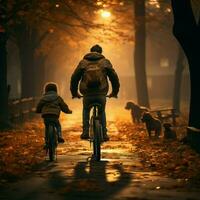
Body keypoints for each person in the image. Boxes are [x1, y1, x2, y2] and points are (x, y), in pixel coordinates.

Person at [70, 44, 120, 141]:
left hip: (87, 93)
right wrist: (114, 92)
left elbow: (74, 78)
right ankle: (104, 134)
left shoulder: (83, 63)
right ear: (101, 53)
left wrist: (74, 93)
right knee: (101, 111)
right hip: (101, 92)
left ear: (90, 51)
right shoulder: (105, 62)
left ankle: (85, 132)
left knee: (86, 110)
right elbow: (114, 77)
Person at [36, 82, 72, 147]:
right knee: (58, 125)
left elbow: (39, 106)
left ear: (46, 90)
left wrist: (38, 111)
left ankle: (47, 143)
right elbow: (63, 106)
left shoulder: (43, 98)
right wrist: (68, 111)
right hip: (54, 115)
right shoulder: (58, 98)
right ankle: (59, 136)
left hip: (46, 115)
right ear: (56, 90)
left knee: (47, 128)